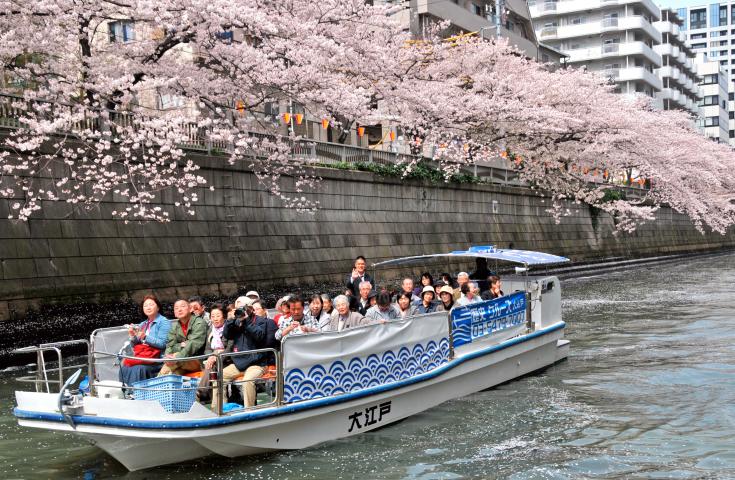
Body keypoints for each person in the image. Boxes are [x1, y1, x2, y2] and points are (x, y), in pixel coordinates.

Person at [218, 303, 267, 408]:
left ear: (251, 309)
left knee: (247, 380)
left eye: (245, 308)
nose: (242, 311)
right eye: (239, 308)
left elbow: (260, 336)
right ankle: (219, 409)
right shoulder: (236, 321)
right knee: (219, 376)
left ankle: (249, 411)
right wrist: (230, 321)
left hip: (257, 363)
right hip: (239, 363)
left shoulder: (260, 320)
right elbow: (227, 335)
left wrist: (247, 321)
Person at [119, 295, 171, 385]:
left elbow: (163, 344)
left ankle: (136, 393)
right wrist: (132, 336)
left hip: (157, 359)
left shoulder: (164, 322)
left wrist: (145, 337)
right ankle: (126, 393)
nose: (148, 307)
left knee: (138, 369)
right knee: (125, 367)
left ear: (158, 307)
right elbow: (136, 345)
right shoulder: (143, 324)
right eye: (145, 305)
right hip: (144, 357)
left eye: (151, 304)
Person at [159, 299, 207, 376]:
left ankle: (156, 386)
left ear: (191, 309)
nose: (179, 310)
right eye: (176, 308)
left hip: (198, 360)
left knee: (168, 368)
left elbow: (193, 344)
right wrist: (168, 357)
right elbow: (170, 346)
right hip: (181, 362)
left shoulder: (199, 323)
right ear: (174, 313)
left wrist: (177, 357)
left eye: (183, 306)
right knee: (172, 374)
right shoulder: (174, 326)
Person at [198, 304, 231, 402]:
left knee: (212, 364)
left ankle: (200, 392)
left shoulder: (229, 328)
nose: (215, 319)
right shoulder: (210, 330)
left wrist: (217, 356)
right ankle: (207, 395)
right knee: (211, 363)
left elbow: (230, 347)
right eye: (212, 316)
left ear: (224, 316)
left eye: (218, 316)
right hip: (213, 358)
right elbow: (207, 348)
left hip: (227, 358)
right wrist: (211, 356)